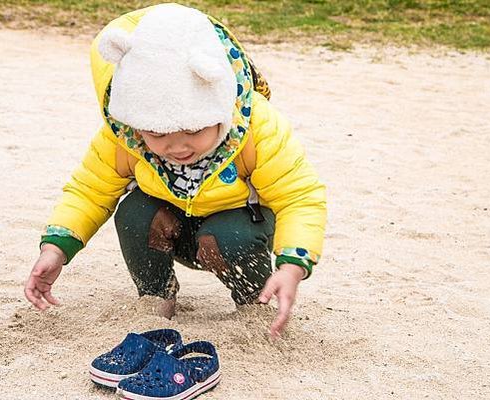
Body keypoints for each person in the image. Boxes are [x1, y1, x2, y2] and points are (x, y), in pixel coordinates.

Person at [24, 3, 326, 338]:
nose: (178, 147)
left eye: (195, 131)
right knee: (133, 212)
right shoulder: (126, 135)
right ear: (137, 123)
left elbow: (299, 197)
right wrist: (55, 248)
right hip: (171, 225)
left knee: (230, 235)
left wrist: (291, 265)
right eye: (158, 134)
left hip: (236, 226)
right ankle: (156, 295)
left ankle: (253, 299)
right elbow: (89, 190)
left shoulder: (258, 126)